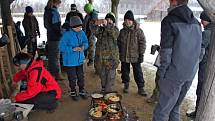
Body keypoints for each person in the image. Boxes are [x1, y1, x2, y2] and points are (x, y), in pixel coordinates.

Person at [152, 0, 202, 121]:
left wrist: (162, 73)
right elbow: (201, 51)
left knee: (161, 112)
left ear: (174, 2)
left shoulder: (169, 21)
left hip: (173, 74)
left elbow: (166, 51)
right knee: (175, 108)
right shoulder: (196, 23)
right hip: (190, 74)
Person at [186, 11, 212, 119]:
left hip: (205, 66)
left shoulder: (207, 32)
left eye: (203, 19)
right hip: (207, 66)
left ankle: (198, 113)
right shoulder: (210, 30)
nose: (201, 22)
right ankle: (198, 111)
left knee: (201, 89)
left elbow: (199, 46)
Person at [117, 10, 147, 96]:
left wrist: (141, 54)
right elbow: (118, 42)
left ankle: (141, 88)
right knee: (125, 71)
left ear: (133, 21)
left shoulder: (139, 31)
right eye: (126, 20)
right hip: (124, 55)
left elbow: (143, 43)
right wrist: (119, 51)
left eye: (129, 20)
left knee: (138, 72)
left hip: (135, 56)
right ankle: (126, 84)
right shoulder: (122, 31)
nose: (128, 22)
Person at [59, 16, 89, 101]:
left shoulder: (82, 33)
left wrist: (83, 47)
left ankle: (81, 90)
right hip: (70, 61)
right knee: (72, 77)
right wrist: (72, 49)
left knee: (81, 76)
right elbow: (61, 47)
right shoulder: (66, 34)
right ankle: (73, 91)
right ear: (72, 27)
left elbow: (86, 42)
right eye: (77, 27)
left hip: (79, 60)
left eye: (80, 26)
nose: (79, 28)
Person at [91, 12, 119, 93]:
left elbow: (114, 34)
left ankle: (108, 93)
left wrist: (107, 25)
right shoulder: (101, 31)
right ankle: (103, 89)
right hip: (102, 59)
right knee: (102, 76)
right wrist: (96, 23)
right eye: (107, 19)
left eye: (110, 19)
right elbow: (93, 29)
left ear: (113, 22)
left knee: (110, 78)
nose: (108, 20)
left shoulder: (115, 29)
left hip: (112, 60)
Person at [44, 0, 64, 80]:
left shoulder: (47, 12)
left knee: (51, 56)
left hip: (50, 36)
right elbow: (57, 27)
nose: (59, 5)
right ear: (56, 3)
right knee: (56, 56)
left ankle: (51, 73)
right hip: (55, 38)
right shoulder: (54, 12)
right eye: (59, 4)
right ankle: (57, 74)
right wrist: (61, 33)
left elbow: (46, 25)